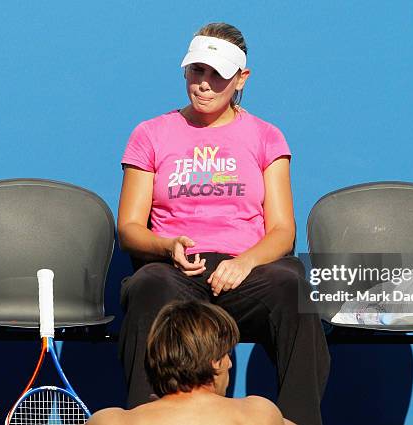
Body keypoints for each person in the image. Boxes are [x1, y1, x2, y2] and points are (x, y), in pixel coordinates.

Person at [117, 22, 330, 425]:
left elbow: (283, 231)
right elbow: (129, 227)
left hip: (247, 272)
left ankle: (299, 420)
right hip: (178, 271)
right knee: (148, 285)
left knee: (292, 286)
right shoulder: (150, 134)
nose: (204, 84)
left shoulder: (266, 137)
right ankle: (145, 418)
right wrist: (167, 247)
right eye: (197, 71)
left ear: (241, 78)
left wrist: (245, 262)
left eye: (217, 74)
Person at [89, 300, 296, 425]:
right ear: (214, 361)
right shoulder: (257, 414)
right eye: (226, 354)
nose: (230, 364)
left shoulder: (110, 421)